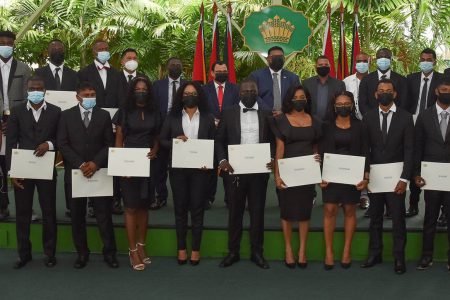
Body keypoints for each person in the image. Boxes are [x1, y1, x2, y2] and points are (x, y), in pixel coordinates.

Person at [57, 81, 118, 269]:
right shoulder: (66, 116)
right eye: (86, 95)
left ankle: (110, 253)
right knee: (77, 216)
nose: (90, 97)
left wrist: (95, 163)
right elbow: (62, 143)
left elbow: (110, 143)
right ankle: (82, 253)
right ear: (77, 97)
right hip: (76, 173)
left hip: (99, 172)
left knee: (104, 215)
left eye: (93, 94)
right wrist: (81, 164)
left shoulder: (104, 115)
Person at [216, 78, 274, 269]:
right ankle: (233, 252)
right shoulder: (228, 113)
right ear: (239, 93)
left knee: (257, 213)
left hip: (258, 172)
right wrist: (222, 161)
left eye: (252, 91)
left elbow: (273, 140)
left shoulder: (267, 113)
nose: (249, 93)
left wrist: (272, 157)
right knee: (235, 212)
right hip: (234, 172)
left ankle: (257, 252)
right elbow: (219, 141)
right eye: (245, 91)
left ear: (258, 92)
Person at [360, 79, 414, 275]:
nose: (384, 93)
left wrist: (405, 178)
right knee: (375, 218)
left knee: (398, 219)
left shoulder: (406, 118)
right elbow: (365, 148)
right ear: (375, 95)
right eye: (381, 91)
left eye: (388, 90)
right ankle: (375, 254)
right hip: (374, 177)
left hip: (396, 179)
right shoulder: (368, 117)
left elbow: (410, 150)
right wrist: (365, 174)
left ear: (395, 94)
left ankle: (399, 257)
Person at [6, 76, 60, 269]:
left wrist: (49, 144)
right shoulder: (17, 111)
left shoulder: (55, 111)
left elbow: (61, 138)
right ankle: (24, 254)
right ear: (27, 91)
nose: (35, 91)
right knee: (22, 213)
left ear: (45, 90)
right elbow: (11, 142)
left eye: (39, 88)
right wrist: (13, 171)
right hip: (23, 170)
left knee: (49, 212)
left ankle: (50, 253)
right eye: (32, 88)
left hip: (46, 169)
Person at [160, 81, 215, 265]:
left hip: (201, 171)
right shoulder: (172, 116)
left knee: (198, 209)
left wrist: (209, 162)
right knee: (180, 209)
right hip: (178, 170)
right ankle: (182, 248)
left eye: (193, 93)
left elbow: (214, 143)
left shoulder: (207, 117)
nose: (189, 96)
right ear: (180, 97)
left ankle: (196, 249)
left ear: (199, 95)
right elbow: (162, 141)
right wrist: (175, 141)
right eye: (186, 93)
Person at [271, 85, 322, 269]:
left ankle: (302, 250)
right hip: (288, 172)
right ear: (289, 100)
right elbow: (279, 149)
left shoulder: (315, 121)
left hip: (307, 174)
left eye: (303, 97)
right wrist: (277, 176)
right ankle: (288, 250)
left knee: (304, 213)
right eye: (296, 97)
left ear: (307, 99)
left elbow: (316, 147)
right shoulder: (281, 120)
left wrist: (319, 161)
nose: (299, 99)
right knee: (286, 212)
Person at [319, 91, 369, 270]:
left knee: (350, 210)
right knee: (330, 210)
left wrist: (365, 175)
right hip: (330, 176)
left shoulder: (360, 126)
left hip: (352, 176)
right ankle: (329, 252)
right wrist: (320, 175)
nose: (342, 106)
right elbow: (320, 153)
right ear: (334, 107)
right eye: (339, 103)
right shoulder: (326, 127)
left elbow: (365, 151)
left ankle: (346, 251)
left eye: (346, 103)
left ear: (352, 105)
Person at [115, 76, 160, 271]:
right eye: (138, 88)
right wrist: (122, 165)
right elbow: (119, 138)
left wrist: (156, 150)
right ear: (132, 91)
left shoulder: (154, 111)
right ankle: (132, 250)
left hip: (148, 163)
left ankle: (142, 245)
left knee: (144, 206)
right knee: (131, 207)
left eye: (144, 89)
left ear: (149, 91)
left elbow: (157, 137)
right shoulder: (124, 111)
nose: (141, 91)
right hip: (129, 162)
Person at [35, 39, 78, 218]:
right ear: (48, 51)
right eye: (54, 47)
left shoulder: (74, 75)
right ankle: (48, 209)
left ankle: (72, 206)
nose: (58, 50)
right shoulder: (38, 73)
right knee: (46, 170)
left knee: (70, 168)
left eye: (61, 48)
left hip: (70, 126)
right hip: (47, 127)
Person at [414, 77, 450, 271]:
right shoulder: (424, 116)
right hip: (432, 176)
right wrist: (416, 173)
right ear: (437, 91)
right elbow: (418, 145)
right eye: (444, 89)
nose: (447, 92)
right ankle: (426, 256)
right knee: (430, 217)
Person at [404, 48, 444, 218]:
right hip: (412, 123)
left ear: (434, 61)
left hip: (433, 126)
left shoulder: (442, 79)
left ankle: (442, 209)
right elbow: (405, 102)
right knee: (415, 160)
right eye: (422, 59)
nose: (425, 62)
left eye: (429, 59)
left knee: (434, 161)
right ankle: (413, 204)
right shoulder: (411, 79)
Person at [0, 30, 31, 220]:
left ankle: (24, 207)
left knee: (12, 163)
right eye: (2, 43)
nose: (6, 46)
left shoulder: (24, 68)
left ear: (14, 45)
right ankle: (2, 205)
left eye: (9, 43)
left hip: (16, 121)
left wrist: (13, 122)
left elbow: (29, 97)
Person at [112, 48, 146, 216]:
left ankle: (141, 198)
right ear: (122, 61)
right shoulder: (114, 78)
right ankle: (116, 198)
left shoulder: (144, 79)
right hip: (116, 126)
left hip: (139, 130)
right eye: (128, 57)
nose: (132, 60)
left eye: (134, 57)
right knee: (118, 165)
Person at [151, 57, 186, 210]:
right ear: (167, 67)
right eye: (172, 65)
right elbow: (152, 107)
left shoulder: (189, 85)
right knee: (159, 168)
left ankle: (184, 198)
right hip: (161, 130)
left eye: (178, 65)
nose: (175, 67)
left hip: (183, 130)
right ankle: (161, 197)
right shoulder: (157, 85)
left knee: (182, 167)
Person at [203, 60, 239, 208]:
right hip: (209, 133)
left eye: (225, 70)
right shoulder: (204, 90)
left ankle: (230, 198)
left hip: (229, 134)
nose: (222, 73)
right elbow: (201, 108)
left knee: (229, 167)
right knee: (210, 167)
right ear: (212, 73)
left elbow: (238, 108)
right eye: (219, 70)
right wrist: (212, 120)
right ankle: (208, 198)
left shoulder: (236, 89)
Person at [343, 52, 370, 210]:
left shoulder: (374, 79)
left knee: (365, 156)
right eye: (358, 61)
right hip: (350, 124)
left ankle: (364, 195)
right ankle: (346, 193)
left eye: (364, 61)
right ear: (354, 63)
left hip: (369, 125)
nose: (361, 63)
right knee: (350, 155)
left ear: (369, 62)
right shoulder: (346, 81)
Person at [250, 46, 300, 113]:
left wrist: (283, 111)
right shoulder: (256, 76)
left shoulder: (293, 78)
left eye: (281, 57)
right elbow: (252, 95)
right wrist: (269, 111)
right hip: (263, 116)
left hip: (286, 117)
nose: (279, 59)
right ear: (268, 59)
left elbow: (297, 97)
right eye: (275, 56)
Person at [358, 47, 407, 115]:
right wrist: (372, 118)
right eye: (380, 57)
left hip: (395, 120)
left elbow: (403, 103)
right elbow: (362, 104)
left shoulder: (402, 80)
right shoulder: (366, 80)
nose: (383, 59)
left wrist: (394, 118)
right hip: (371, 120)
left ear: (391, 60)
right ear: (376, 60)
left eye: (387, 57)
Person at [302, 55, 346, 122]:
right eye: (320, 65)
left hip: (332, 123)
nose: (323, 66)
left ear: (330, 67)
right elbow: (304, 104)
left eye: (326, 64)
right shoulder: (307, 83)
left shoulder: (339, 84)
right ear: (315, 67)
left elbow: (342, 105)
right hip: (311, 122)